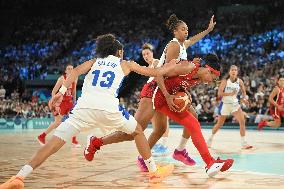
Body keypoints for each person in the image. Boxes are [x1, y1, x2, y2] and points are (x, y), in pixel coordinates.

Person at [0, 34, 176, 189]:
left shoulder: (94, 61)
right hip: (108, 108)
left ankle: (19, 177)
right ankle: (154, 173)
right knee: (138, 131)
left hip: (83, 108)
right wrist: (170, 67)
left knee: (52, 144)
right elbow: (153, 71)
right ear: (119, 52)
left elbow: (75, 72)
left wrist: (61, 93)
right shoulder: (126, 63)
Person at [84, 54, 234, 177]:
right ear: (208, 70)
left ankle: (210, 163)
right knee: (132, 133)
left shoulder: (197, 77)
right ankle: (96, 142)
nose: (211, 82)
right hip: (153, 94)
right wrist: (168, 95)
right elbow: (158, 74)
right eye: (213, 78)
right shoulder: (187, 67)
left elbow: (178, 83)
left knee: (191, 123)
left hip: (167, 99)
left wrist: (181, 92)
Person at [207, 65, 253, 149]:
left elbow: (243, 91)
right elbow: (219, 94)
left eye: (235, 70)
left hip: (235, 104)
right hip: (225, 104)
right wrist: (230, 94)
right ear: (229, 72)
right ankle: (210, 139)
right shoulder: (225, 81)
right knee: (219, 124)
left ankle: (244, 143)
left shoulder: (240, 81)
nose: (234, 71)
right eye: (232, 70)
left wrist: (244, 99)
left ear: (237, 72)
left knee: (242, 121)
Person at [37, 65, 81, 147]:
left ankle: (74, 140)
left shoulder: (75, 78)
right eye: (68, 68)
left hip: (70, 102)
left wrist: (74, 103)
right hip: (61, 103)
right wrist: (54, 102)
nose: (71, 70)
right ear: (65, 71)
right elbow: (53, 91)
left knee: (75, 120)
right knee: (57, 122)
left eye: (72, 68)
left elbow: (74, 91)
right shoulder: (61, 79)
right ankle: (41, 136)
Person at [141, 43, 170, 157]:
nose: (146, 56)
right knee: (156, 122)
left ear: (152, 53)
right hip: (153, 97)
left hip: (161, 95)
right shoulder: (148, 68)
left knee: (164, 122)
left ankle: (164, 146)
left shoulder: (157, 62)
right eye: (143, 54)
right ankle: (160, 144)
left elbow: (163, 77)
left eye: (147, 53)